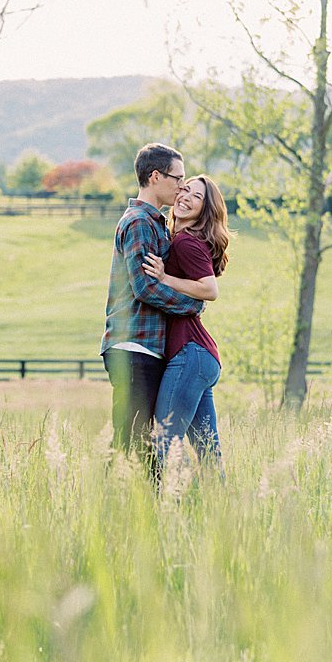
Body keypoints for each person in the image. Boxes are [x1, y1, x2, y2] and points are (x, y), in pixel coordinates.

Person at [101, 143, 205, 481]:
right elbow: (144, 287)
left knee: (147, 441)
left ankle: (151, 512)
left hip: (148, 347)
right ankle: (112, 508)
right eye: (177, 178)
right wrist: (191, 305)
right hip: (133, 346)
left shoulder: (158, 223)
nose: (181, 186)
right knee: (129, 439)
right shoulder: (140, 223)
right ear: (155, 176)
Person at [143, 174, 232, 479]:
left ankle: (168, 507)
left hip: (189, 355)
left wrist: (164, 278)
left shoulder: (185, 242)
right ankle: (221, 512)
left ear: (205, 209)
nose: (185, 197)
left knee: (163, 438)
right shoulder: (178, 238)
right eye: (185, 190)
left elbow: (209, 289)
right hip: (201, 358)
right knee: (208, 451)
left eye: (196, 197)